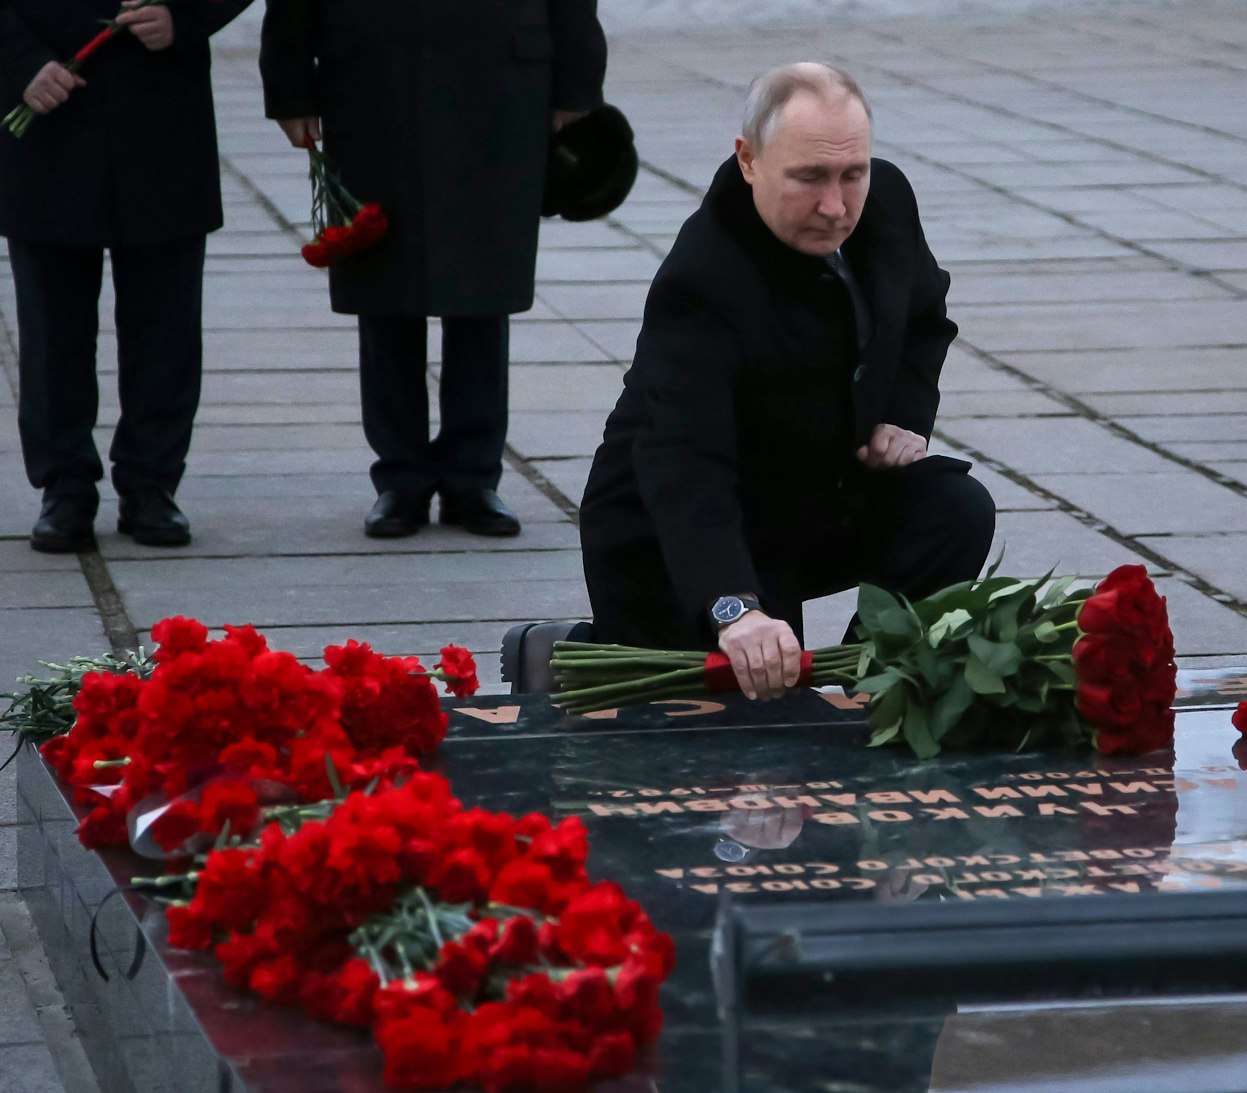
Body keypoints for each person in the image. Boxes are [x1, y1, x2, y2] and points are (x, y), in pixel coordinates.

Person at [521, 62, 994, 700]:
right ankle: (567, 652)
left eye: (852, 173)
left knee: (954, 511)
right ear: (748, 161)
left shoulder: (886, 202)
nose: (835, 206)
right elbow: (684, 463)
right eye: (808, 178)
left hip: (808, 496)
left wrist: (905, 414)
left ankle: (872, 679)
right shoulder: (702, 281)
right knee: (748, 711)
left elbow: (924, 318)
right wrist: (733, 608)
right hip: (680, 532)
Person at [259, 0, 607, 539]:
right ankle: (400, 478)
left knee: (484, 283)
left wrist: (577, 81)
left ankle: (473, 476)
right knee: (382, 280)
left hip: (499, 77)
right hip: (371, 80)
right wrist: (290, 86)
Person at [1, 0, 254, 552]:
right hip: (48, 111)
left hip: (162, 110)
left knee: (166, 325)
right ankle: (64, 485)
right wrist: (18, 62)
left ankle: (152, 484)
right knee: (51, 328)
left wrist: (185, 16)